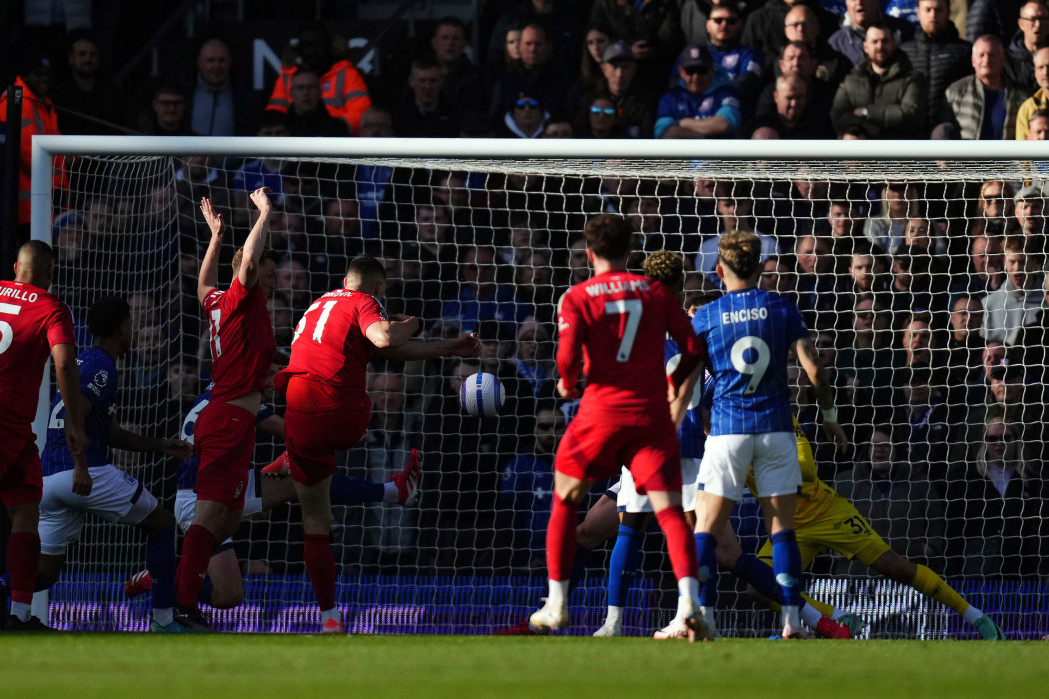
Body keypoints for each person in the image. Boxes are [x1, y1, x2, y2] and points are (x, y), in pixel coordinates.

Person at [272, 255, 480, 633]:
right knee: (329, 459)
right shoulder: (364, 302)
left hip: (296, 406)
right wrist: (412, 322)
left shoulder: (320, 303)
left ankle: (330, 618)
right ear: (379, 287)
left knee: (312, 515)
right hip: (339, 410)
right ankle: (379, 480)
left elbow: (389, 350)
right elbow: (385, 338)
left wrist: (448, 346)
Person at [528, 214, 706, 638]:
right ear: (630, 252)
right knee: (670, 513)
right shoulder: (657, 294)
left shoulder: (577, 297)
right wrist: (674, 383)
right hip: (649, 418)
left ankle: (556, 604)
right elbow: (694, 348)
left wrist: (568, 386)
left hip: (599, 414)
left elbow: (568, 361)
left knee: (566, 499)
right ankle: (690, 607)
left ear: (590, 253)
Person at [124, 378, 420, 611]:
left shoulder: (221, 388)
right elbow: (283, 428)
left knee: (303, 476)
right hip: (201, 499)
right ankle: (163, 579)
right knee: (228, 596)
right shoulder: (242, 391)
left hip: (227, 485)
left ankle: (393, 491)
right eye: (266, 371)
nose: (269, 380)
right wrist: (336, 435)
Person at [688, 229, 845, 639]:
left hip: (727, 431)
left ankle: (691, 611)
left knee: (706, 527)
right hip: (777, 431)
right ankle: (792, 620)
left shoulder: (706, 316)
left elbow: (687, 382)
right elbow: (814, 370)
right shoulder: (782, 307)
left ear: (719, 270)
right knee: (782, 529)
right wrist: (829, 416)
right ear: (760, 268)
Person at [30, 297, 192, 631]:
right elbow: (81, 415)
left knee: (43, 573)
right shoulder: (102, 365)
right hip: (83, 471)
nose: (134, 329)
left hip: (49, 478)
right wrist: (81, 466)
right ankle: (164, 620)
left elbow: (107, 430)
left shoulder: (85, 359)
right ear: (121, 327)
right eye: (132, 323)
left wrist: (160, 446)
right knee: (161, 523)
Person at [172, 190, 278, 629]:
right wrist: (265, 214)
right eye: (264, 274)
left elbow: (202, 284)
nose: (266, 281)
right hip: (230, 418)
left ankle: (171, 585)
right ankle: (180, 604)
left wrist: (215, 237)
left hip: (234, 419)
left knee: (226, 518)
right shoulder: (238, 298)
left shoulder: (215, 302)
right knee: (210, 516)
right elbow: (248, 264)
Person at [0, 241, 86, 630]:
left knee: (26, 508)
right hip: (8, 421)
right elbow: (65, 363)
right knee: (24, 515)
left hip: (15, 430)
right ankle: (18, 613)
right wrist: (73, 420)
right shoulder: (51, 307)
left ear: (16, 266)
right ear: (50, 273)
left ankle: (19, 615)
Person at [267, 21, 371, 135]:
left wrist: (336, 130)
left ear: (329, 45)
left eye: (317, 45)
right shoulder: (287, 78)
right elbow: (274, 116)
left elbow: (361, 112)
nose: (312, 50)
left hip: (334, 140)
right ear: (299, 49)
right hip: (293, 141)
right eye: (307, 46)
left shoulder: (347, 74)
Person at [830, 23, 927, 139]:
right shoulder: (851, 79)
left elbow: (908, 113)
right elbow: (838, 115)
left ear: (894, 44)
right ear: (866, 47)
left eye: (885, 41)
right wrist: (862, 130)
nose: (880, 46)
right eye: (874, 42)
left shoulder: (912, 79)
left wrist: (867, 112)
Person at [899, 0, 973, 136]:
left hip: (949, 135)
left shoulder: (964, 51)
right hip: (909, 135)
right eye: (928, 10)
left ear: (948, 13)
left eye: (939, 10)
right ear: (919, 13)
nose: (933, 15)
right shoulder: (904, 52)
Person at [936, 35, 1027, 140]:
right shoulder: (955, 92)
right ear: (973, 61)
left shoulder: (1021, 95)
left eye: (992, 55)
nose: (986, 60)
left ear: (1003, 59)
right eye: (981, 55)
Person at [655, 44, 743, 139]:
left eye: (702, 70)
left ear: (712, 70)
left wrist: (681, 123)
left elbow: (723, 125)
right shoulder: (670, 97)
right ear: (681, 72)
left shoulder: (726, 92)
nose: (696, 76)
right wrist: (706, 137)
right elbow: (666, 134)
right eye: (690, 71)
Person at [1016, 47, 1049, 139]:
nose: (1046, 72)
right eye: (1041, 67)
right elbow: (1021, 150)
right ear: (1035, 72)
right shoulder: (1027, 109)